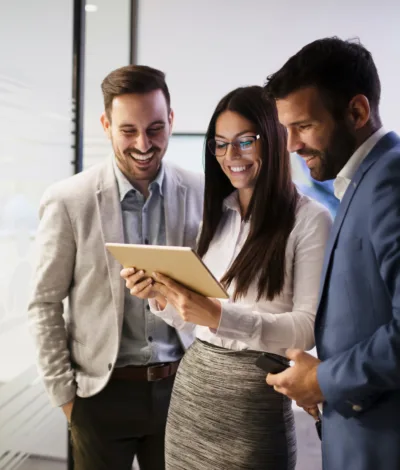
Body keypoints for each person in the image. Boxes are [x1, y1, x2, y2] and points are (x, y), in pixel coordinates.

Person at [121, 85, 332, 469]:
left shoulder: (310, 220)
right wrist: (161, 296)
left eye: (244, 142)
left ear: (273, 139)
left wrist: (218, 316)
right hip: (193, 394)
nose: (230, 157)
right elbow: (195, 317)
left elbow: (307, 329)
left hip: (253, 402)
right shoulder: (219, 214)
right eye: (219, 144)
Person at [27, 65, 203, 470]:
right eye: (128, 131)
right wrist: (66, 399)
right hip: (100, 396)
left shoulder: (199, 192)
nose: (144, 144)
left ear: (171, 121)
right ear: (106, 124)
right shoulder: (69, 200)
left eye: (156, 128)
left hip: (183, 389)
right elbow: (44, 303)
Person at [264, 37, 400, 470]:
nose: (290, 145)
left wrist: (322, 379)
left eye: (303, 126)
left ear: (357, 112)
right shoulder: (359, 181)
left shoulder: (389, 183)